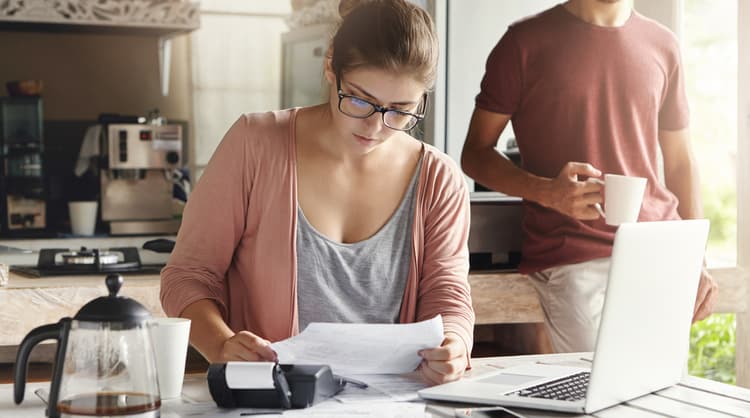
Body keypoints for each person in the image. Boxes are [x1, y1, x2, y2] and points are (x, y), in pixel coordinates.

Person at [161, 0, 474, 385]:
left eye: (400, 110)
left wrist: (455, 343)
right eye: (360, 100)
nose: (376, 126)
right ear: (330, 66)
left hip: (394, 403)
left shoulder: (438, 179)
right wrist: (222, 346)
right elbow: (187, 276)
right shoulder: (254, 145)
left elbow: (447, 291)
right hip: (273, 403)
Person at [461, 0, 717, 353]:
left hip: (659, 250)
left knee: (655, 395)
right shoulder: (523, 43)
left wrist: (695, 256)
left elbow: (680, 162)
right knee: (598, 396)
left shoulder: (664, 44)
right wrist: (547, 192)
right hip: (574, 258)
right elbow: (475, 153)